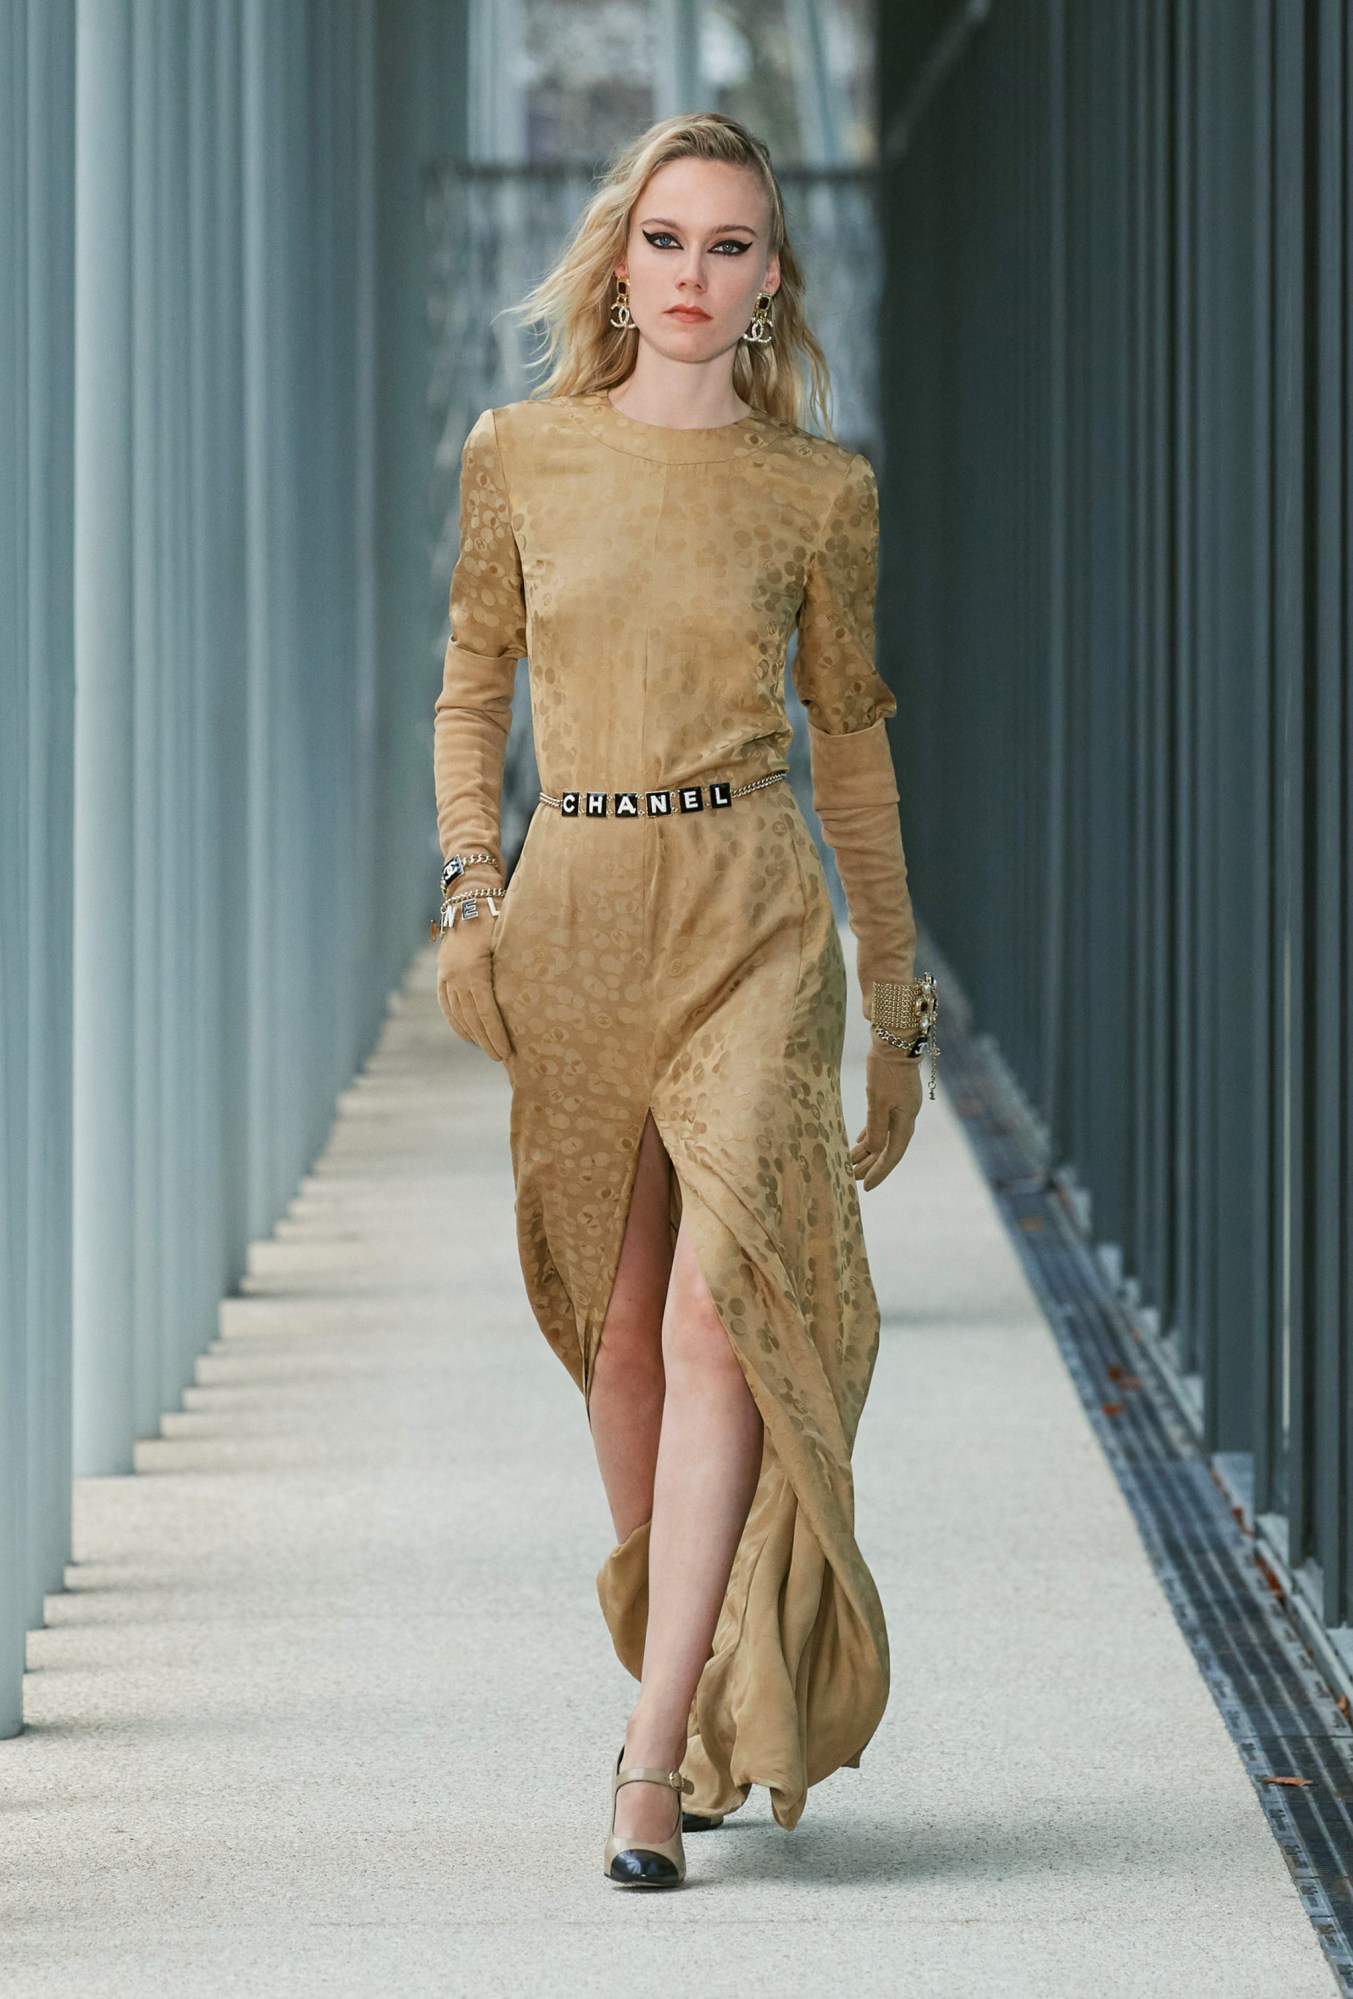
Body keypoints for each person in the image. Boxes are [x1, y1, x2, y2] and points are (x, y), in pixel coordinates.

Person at [431, 110, 935, 1890]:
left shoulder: (818, 491)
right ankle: (700, 1668)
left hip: (751, 911)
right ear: (620, 263)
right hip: (574, 906)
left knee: (729, 1319)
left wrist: (894, 997)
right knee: (621, 1327)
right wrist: (473, 893)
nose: (695, 274)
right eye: (666, 241)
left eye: (731, 245)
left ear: (773, 276)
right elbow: (469, 692)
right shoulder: (523, 455)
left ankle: (649, 1761)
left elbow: (854, 751)